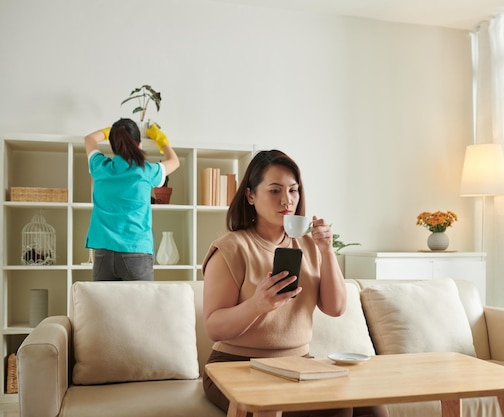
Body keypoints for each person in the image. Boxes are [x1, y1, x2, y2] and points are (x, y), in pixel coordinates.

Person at [201, 150, 388, 417]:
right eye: (275, 190)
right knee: (336, 410)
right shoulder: (231, 248)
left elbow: (335, 308)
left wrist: (327, 251)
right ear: (250, 195)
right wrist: (257, 305)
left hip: (297, 363)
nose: (286, 200)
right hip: (237, 365)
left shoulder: (310, 246)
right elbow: (214, 327)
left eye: (293, 190)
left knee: (373, 408)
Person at [84, 118, 180, 281]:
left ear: (113, 146)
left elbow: (89, 139)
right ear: (139, 144)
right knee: (140, 307)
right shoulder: (146, 171)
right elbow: (174, 162)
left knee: (104, 307)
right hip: (136, 252)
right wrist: (160, 139)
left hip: (103, 255)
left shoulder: (99, 167)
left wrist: (111, 131)